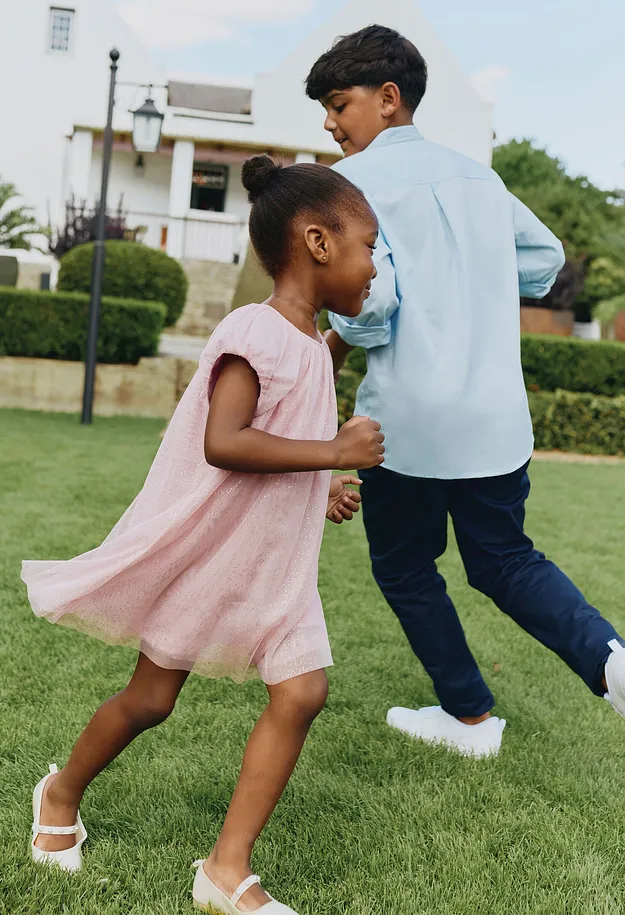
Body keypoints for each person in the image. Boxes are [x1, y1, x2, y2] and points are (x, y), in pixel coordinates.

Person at [21, 155, 384, 913]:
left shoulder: (317, 351)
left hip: (277, 573)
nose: (374, 266)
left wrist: (319, 489)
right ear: (317, 242)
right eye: (367, 246)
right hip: (214, 563)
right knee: (151, 699)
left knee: (303, 691)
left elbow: (277, 448)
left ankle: (225, 867)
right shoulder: (254, 331)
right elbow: (225, 440)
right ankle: (58, 791)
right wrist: (333, 452)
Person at [305, 25, 625, 758]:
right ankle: (610, 661)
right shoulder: (480, 177)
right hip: (493, 423)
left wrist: (336, 335)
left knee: (404, 565)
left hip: (406, 426)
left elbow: (373, 309)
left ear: (387, 99)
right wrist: (469, 276)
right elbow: (543, 258)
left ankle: (470, 717)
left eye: (336, 103)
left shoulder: (347, 185)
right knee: (506, 560)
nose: (329, 122)